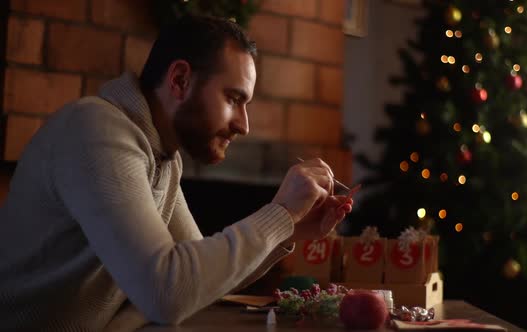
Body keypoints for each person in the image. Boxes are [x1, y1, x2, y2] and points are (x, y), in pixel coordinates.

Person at [0, 16, 353, 330]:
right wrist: (281, 213)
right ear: (180, 79)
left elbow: (199, 282)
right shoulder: (96, 129)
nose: (244, 125)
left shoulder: (163, 157)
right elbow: (167, 294)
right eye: (233, 99)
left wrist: (288, 227)